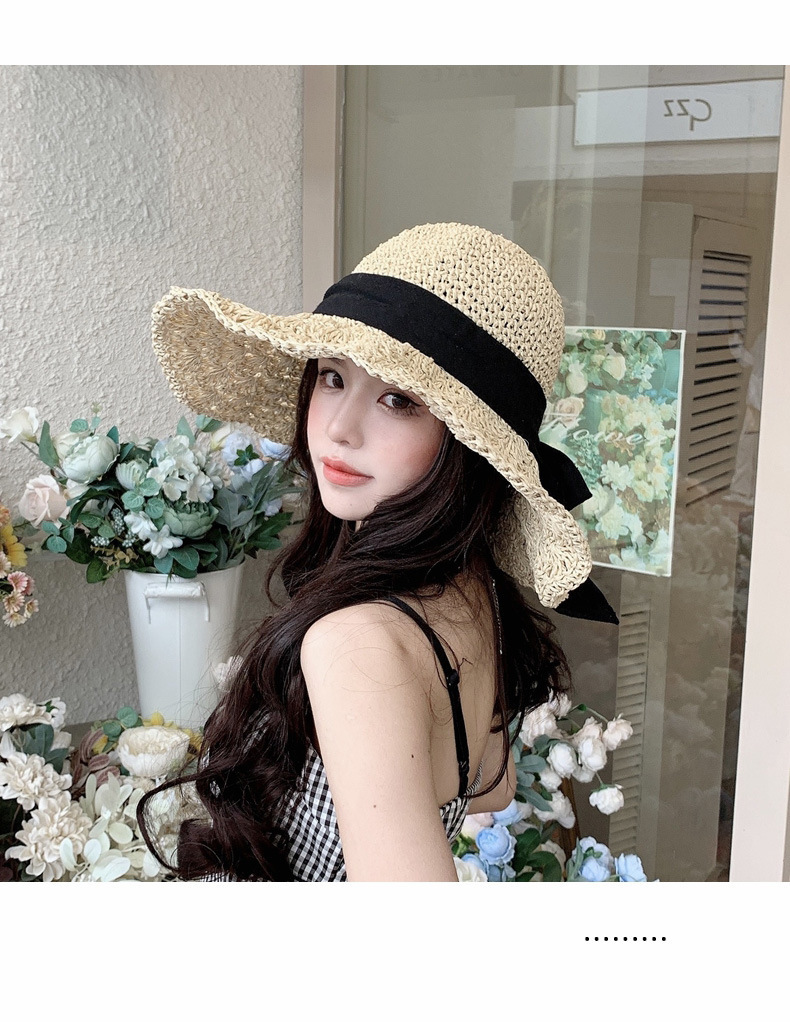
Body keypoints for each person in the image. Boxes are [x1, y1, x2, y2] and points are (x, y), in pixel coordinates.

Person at [138, 221, 618, 882]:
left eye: (397, 399)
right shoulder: (472, 589)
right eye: (332, 376)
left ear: (468, 443)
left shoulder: (359, 643)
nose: (339, 427)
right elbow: (491, 784)